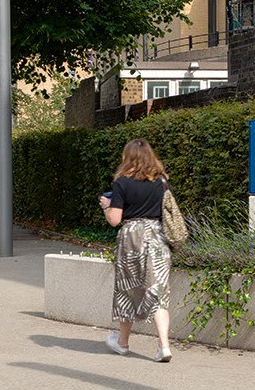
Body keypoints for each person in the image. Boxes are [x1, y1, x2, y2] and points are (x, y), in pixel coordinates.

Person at [98, 138, 174, 363]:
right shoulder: (162, 182)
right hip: (158, 237)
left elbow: (115, 219)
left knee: (127, 290)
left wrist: (106, 207)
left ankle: (122, 343)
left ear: (127, 158)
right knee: (158, 291)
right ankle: (164, 345)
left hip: (132, 238)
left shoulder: (122, 183)